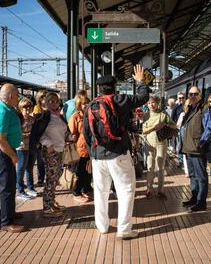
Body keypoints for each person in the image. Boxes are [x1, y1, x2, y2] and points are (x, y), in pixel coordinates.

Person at [83, 64, 149, 240]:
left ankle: (102, 226)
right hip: (118, 154)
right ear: (115, 87)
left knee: (100, 191)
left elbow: (86, 133)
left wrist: (93, 154)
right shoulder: (122, 100)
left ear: (99, 88)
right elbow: (144, 96)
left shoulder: (91, 105)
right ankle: (124, 229)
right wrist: (140, 81)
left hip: (98, 156)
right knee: (126, 189)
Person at [0, 83, 25, 233]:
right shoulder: (2, 111)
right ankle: (6, 222)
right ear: (10, 96)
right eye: (17, 95)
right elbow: (1, 139)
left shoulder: (7, 108)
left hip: (5, 150)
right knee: (7, 187)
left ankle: (8, 213)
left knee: (10, 185)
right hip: (3, 151)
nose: (18, 98)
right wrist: (13, 156)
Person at [30, 92, 69, 217]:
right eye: (50, 101)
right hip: (50, 152)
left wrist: (69, 136)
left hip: (60, 150)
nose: (53, 103)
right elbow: (39, 134)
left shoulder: (59, 116)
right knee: (51, 179)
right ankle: (47, 208)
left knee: (55, 179)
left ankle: (51, 202)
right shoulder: (43, 116)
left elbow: (65, 131)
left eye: (56, 101)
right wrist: (48, 144)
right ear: (45, 103)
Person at [181, 86, 211, 212]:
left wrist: (201, 143)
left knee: (201, 176)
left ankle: (201, 202)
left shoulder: (205, 108)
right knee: (193, 175)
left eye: (196, 94)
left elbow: (209, 128)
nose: (193, 96)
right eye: (191, 94)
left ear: (200, 95)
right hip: (188, 148)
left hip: (197, 148)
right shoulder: (190, 108)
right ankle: (194, 198)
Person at [142, 95, 176, 199]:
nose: (151, 104)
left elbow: (174, 126)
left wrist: (165, 124)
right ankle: (149, 189)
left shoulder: (163, 114)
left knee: (160, 168)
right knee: (150, 167)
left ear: (157, 103)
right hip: (149, 144)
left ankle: (160, 190)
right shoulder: (146, 115)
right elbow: (143, 130)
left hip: (161, 143)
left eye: (153, 102)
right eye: (149, 103)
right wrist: (154, 127)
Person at [69, 94, 93, 203]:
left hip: (91, 148)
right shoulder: (75, 116)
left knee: (89, 171)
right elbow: (72, 134)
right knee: (80, 172)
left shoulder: (91, 115)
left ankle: (87, 188)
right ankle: (77, 192)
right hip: (81, 148)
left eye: (88, 102)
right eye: (84, 103)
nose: (86, 105)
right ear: (79, 105)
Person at [15, 98, 38, 200]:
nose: (28, 109)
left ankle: (30, 187)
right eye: (25, 107)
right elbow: (17, 133)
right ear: (20, 108)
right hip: (21, 147)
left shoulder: (32, 119)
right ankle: (20, 190)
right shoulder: (18, 119)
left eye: (30, 107)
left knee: (30, 168)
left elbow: (36, 131)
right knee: (21, 169)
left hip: (32, 146)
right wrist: (27, 134)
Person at [33, 90, 48, 186]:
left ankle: (49, 178)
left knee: (49, 160)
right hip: (40, 138)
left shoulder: (51, 107)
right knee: (40, 161)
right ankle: (40, 179)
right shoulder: (37, 109)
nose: (44, 99)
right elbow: (36, 125)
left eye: (46, 96)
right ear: (39, 99)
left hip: (50, 138)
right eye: (42, 97)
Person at [171, 91, 186, 166]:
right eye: (180, 98)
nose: (181, 99)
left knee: (186, 144)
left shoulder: (187, 105)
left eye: (183, 98)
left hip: (187, 128)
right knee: (180, 145)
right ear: (177, 98)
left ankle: (186, 160)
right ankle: (180, 160)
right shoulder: (176, 106)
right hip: (179, 128)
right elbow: (172, 118)